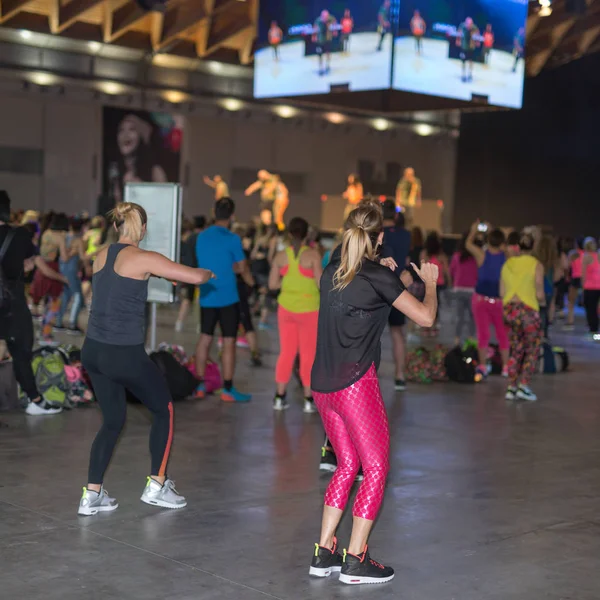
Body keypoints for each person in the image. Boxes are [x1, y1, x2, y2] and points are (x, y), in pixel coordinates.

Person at [308, 202, 438, 584]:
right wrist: (429, 283)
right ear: (379, 238)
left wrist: (387, 276)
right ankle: (355, 560)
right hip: (354, 386)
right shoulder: (376, 277)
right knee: (376, 468)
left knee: (347, 466)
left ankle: (324, 551)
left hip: (322, 387)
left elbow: (365, 297)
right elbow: (426, 317)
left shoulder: (332, 271)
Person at [78, 202, 214, 516]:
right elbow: (195, 277)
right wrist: (209, 272)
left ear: (116, 227)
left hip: (93, 351)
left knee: (112, 421)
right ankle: (157, 484)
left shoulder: (100, 255)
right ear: (143, 229)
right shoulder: (144, 258)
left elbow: (119, 285)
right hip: (123, 354)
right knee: (163, 409)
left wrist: (165, 275)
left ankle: (92, 494)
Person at [0, 191, 67, 416]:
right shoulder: (18, 236)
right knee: (21, 350)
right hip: (12, 302)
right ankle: (34, 399)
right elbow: (30, 265)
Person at [194, 198, 255, 402]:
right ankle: (228, 389)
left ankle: (199, 385)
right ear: (232, 216)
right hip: (228, 297)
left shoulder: (201, 237)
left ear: (214, 212)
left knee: (205, 338)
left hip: (207, 295)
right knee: (229, 341)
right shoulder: (233, 239)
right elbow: (242, 266)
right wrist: (251, 283)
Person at [269, 217, 322, 412]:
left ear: (289, 234)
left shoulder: (281, 256)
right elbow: (320, 283)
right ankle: (309, 400)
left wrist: (289, 283)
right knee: (308, 354)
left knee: (286, 353)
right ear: (307, 233)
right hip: (309, 310)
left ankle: (279, 397)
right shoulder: (313, 256)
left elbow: (272, 285)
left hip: (286, 310)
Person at [501, 232, 544, 402]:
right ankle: (523, 386)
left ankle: (511, 387)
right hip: (528, 311)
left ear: (517, 247)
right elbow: (539, 293)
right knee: (532, 349)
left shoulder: (507, 264)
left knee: (516, 349)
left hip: (509, 310)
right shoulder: (536, 265)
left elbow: (502, 292)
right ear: (533, 247)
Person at [466, 222, 509, 379]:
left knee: (483, 334)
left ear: (488, 240)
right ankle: (505, 367)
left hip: (481, 301)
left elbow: (468, 243)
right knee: (502, 335)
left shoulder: (481, 254)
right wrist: (502, 233)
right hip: (499, 301)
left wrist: (473, 229)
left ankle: (483, 366)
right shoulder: (506, 256)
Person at [380, 201, 412, 390]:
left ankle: (367, 377)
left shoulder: (378, 233)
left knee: (371, 333)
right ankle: (400, 376)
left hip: (379, 286)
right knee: (397, 331)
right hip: (399, 286)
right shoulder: (406, 235)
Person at [109, 113, 168, 204]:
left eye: (132, 129)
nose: (125, 134)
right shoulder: (117, 171)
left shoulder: (155, 170)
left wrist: (141, 189)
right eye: (121, 130)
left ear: (141, 137)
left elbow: (165, 202)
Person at [30, 212, 69, 344]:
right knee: (54, 304)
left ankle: (42, 332)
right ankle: (46, 335)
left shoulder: (46, 233)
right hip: (52, 269)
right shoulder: (60, 237)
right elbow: (64, 257)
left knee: (44, 303)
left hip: (41, 268)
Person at [55, 217, 90, 334]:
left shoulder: (64, 237)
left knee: (65, 295)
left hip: (62, 269)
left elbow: (62, 255)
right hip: (71, 270)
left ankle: (58, 322)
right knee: (78, 296)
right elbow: (83, 257)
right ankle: (72, 323)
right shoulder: (79, 240)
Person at [449, 233, 478, 347]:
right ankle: (471, 339)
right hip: (472, 290)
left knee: (459, 316)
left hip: (459, 289)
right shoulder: (476, 257)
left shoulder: (457, 256)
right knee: (472, 317)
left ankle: (457, 339)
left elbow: (452, 271)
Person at [420, 231, 449, 333]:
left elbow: (422, 268)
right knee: (436, 305)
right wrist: (450, 282)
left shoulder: (424, 254)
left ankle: (426, 328)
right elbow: (446, 270)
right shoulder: (441, 256)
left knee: (426, 304)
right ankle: (434, 327)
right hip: (439, 283)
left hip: (427, 283)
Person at [581, 237, 600, 339]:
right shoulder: (598, 255)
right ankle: (595, 329)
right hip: (598, 287)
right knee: (596, 309)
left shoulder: (586, 257)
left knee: (590, 309)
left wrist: (582, 287)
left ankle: (593, 331)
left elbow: (583, 274)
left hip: (590, 287)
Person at [565, 239, 584, 331]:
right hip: (585, 279)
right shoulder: (587, 255)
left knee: (571, 302)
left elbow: (568, 266)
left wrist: (567, 276)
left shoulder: (573, 254)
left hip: (575, 278)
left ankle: (570, 321)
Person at [313, 9, 337, 76]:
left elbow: (334, 21)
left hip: (328, 39)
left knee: (328, 53)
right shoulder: (318, 20)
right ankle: (321, 68)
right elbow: (315, 27)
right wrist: (314, 36)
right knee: (320, 54)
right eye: (324, 16)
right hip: (320, 40)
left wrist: (334, 30)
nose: (325, 18)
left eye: (326, 16)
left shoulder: (330, 18)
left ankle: (327, 65)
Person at [457, 17, 480, 83]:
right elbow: (459, 31)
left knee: (471, 61)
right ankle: (463, 75)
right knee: (463, 61)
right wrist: (458, 40)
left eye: (470, 24)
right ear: (465, 23)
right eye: (467, 23)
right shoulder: (462, 26)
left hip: (471, 47)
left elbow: (478, 33)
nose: (468, 25)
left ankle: (470, 74)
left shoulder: (474, 27)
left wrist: (477, 41)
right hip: (464, 47)